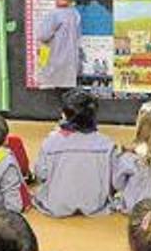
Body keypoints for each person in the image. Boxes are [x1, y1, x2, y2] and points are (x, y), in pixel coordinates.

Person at [33, 89, 116, 217]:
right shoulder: (107, 144)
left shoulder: (50, 142)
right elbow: (114, 180)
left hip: (55, 206)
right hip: (96, 206)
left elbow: (41, 174)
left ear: (64, 115)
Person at [35, 0, 81, 90]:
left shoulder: (55, 15)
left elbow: (42, 36)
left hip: (55, 66)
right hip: (70, 66)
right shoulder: (75, 14)